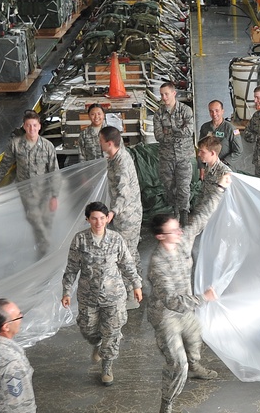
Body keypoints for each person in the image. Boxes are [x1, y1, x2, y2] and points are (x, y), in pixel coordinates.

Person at [147, 167, 233, 413]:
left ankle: (195, 365)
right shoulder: (157, 265)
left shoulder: (182, 243)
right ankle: (165, 410)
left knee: (195, 336)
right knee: (177, 363)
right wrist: (203, 298)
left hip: (187, 310)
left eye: (177, 228)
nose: (180, 233)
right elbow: (173, 302)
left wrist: (220, 187)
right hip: (166, 316)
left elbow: (200, 218)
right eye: (173, 231)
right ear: (161, 237)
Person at [61, 201, 143, 385]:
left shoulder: (116, 239)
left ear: (107, 219)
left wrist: (136, 285)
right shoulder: (80, 240)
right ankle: (97, 343)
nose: (98, 222)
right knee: (88, 328)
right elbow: (72, 268)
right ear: (88, 219)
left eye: (102, 218)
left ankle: (107, 366)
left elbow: (127, 264)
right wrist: (66, 291)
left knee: (112, 332)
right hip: (88, 296)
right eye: (94, 218)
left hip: (114, 296)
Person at [0, 111, 59, 255]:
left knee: (46, 220)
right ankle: (47, 247)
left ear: (39, 126)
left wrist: (54, 195)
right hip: (26, 190)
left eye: (34, 125)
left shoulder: (48, 146)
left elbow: (54, 171)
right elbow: (5, 164)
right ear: (24, 126)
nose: (32, 129)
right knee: (33, 217)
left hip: (44, 190)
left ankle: (41, 245)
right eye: (28, 126)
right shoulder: (16, 145)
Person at [99, 126, 143, 307]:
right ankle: (138, 284)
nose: (99, 144)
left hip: (127, 216)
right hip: (123, 215)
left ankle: (131, 298)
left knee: (126, 256)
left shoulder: (121, 162)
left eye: (101, 141)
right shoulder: (114, 156)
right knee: (131, 251)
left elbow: (124, 193)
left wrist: (113, 212)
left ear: (109, 143)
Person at [152, 82, 195, 224]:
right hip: (166, 157)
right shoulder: (158, 114)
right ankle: (175, 211)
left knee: (183, 187)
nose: (164, 97)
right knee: (169, 187)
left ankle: (184, 214)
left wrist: (169, 130)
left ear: (174, 93)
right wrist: (178, 130)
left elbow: (189, 131)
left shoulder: (185, 110)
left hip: (183, 156)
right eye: (162, 94)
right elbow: (159, 136)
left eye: (166, 94)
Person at [198, 99, 242, 167]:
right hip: (209, 166)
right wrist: (201, 167)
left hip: (226, 167)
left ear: (222, 111)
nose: (214, 114)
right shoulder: (205, 127)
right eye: (211, 111)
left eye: (217, 110)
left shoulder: (231, 129)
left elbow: (238, 151)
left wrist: (224, 162)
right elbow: (200, 148)